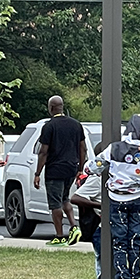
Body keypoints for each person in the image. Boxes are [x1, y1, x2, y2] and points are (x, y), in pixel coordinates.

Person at [85, 114, 140, 279]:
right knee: (134, 241)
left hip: (116, 200)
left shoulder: (114, 149)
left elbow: (93, 167)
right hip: (137, 200)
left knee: (119, 242)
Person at [34, 95, 87, 247]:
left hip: (55, 170)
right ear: (62, 107)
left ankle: (59, 236)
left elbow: (43, 152)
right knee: (65, 199)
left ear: (51, 108)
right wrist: (80, 169)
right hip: (71, 168)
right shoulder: (76, 125)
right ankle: (74, 227)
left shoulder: (49, 126)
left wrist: (37, 173)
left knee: (55, 203)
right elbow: (83, 148)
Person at [70, 142, 106, 279]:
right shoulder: (96, 179)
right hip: (100, 229)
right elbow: (76, 198)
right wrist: (101, 205)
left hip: (113, 227)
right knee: (103, 264)